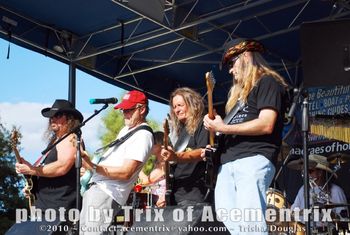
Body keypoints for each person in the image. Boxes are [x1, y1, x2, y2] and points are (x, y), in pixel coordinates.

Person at [202, 38, 288, 234]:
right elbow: (229, 129)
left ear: (246, 56)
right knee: (229, 224)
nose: (231, 70)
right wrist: (215, 142)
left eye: (232, 63)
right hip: (227, 163)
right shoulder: (237, 99)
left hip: (253, 159)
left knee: (251, 224)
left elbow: (266, 124)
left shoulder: (267, 82)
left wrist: (223, 128)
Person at [79, 90, 153, 234]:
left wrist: (93, 167)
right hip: (98, 189)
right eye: (123, 110)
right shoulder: (127, 129)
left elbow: (126, 172)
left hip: (107, 191)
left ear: (142, 109)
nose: (125, 113)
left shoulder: (143, 135)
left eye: (129, 109)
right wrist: (89, 167)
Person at [15, 99, 84, 212]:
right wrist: (31, 178)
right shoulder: (56, 141)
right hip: (47, 206)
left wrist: (33, 170)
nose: (53, 118)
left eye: (58, 115)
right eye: (51, 116)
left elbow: (62, 166)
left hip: (59, 207)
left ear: (70, 119)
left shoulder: (70, 138)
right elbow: (48, 170)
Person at [161, 87, 209, 206]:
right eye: (175, 107)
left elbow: (202, 151)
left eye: (180, 105)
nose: (177, 110)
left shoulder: (203, 123)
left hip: (194, 192)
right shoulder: (182, 132)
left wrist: (176, 156)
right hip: (178, 192)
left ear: (191, 104)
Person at [291, 154, 348, 230]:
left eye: (310, 171)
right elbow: (294, 212)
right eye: (304, 172)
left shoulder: (336, 191)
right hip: (303, 230)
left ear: (320, 173)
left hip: (326, 231)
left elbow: (344, 221)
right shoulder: (303, 189)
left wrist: (328, 213)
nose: (306, 175)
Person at [138, 131, 166, 207]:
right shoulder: (157, 163)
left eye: (153, 143)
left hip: (162, 203)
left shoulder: (164, 163)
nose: (149, 146)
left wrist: (137, 168)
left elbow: (146, 181)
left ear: (161, 145)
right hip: (155, 202)